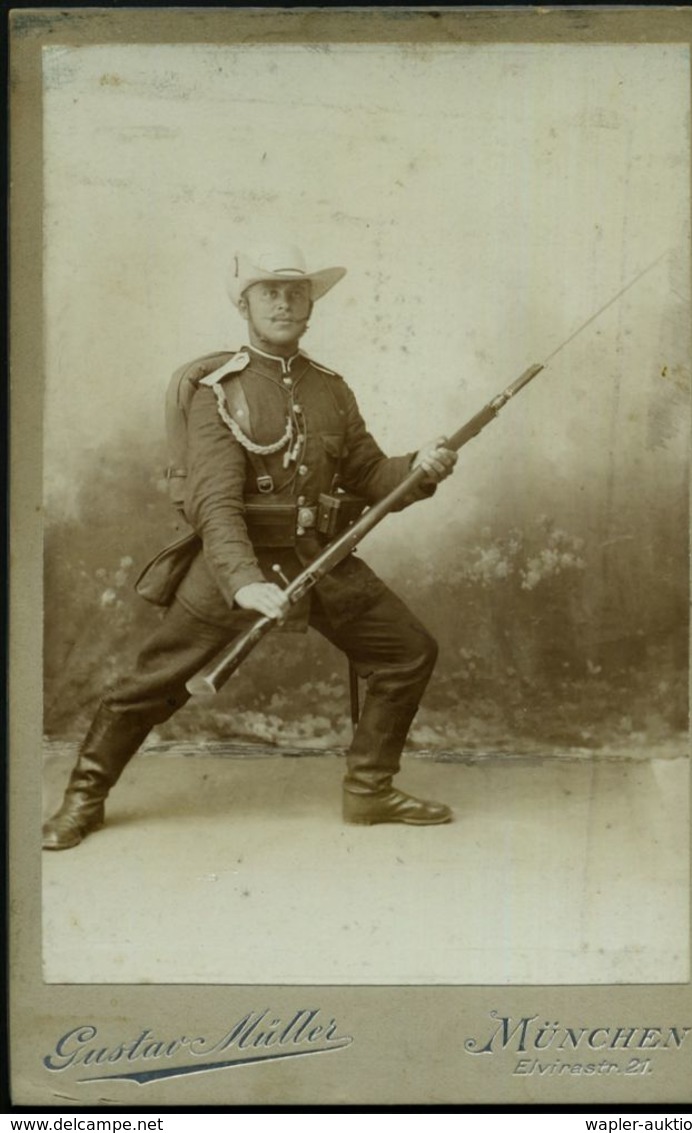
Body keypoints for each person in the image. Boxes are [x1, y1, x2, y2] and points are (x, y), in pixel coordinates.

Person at [42, 243, 458, 851]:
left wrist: (421, 468)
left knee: (408, 651)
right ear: (245, 305)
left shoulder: (331, 389)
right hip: (235, 559)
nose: (285, 302)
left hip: (318, 556)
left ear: (311, 306)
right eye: (270, 292)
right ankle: (84, 798)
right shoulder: (217, 390)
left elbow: (369, 476)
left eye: (296, 293)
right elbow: (215, 503)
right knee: (151, 686)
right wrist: (242, 582)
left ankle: (369, 790)